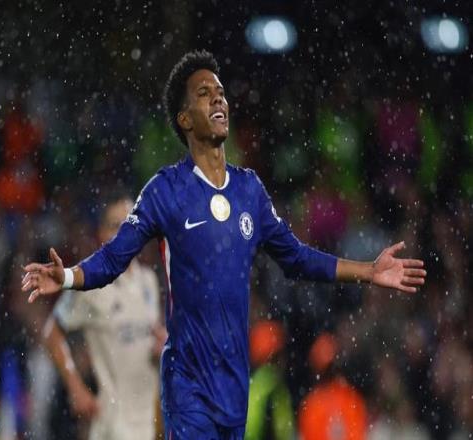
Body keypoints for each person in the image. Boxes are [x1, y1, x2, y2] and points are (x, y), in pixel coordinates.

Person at [22, 50, 426, 440]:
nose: (218, 99)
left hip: (233, 383)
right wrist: (69, 276)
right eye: (204, 93)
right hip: (187, 381)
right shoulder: (166, 190)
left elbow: (297, 258)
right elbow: (114, 257)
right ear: (184, 119)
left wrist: (368, 271)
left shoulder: (250, 190)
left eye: (220, 92)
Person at [42, 194, 163, 440]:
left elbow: (154, 341)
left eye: (130, 223)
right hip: (114, 424)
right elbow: (51, 333)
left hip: (149, 423)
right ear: (101, 233)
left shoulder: (148, 281)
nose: (124, 232)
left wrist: (163, 347)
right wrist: (76, 387)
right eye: (115, 225)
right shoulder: (90, 284)